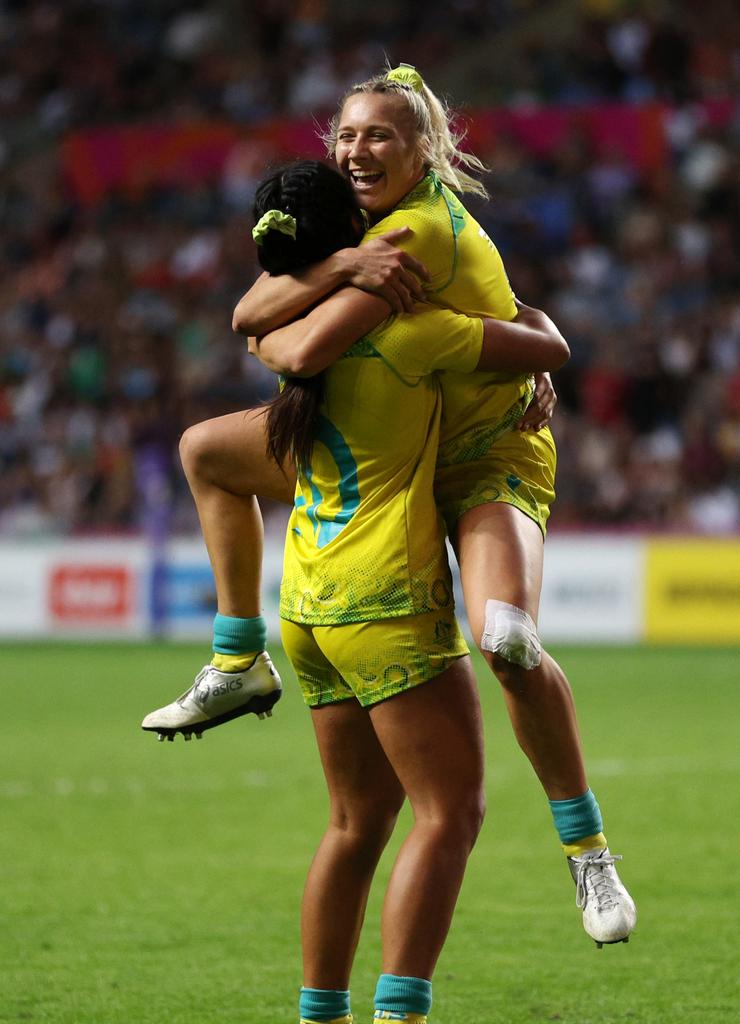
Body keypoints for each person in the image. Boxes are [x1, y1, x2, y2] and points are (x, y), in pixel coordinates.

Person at [142, 63, 636, 949]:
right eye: (346, 135)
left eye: (379, 135)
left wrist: (532, 350)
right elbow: (250, 307)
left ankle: (587, 847)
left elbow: (291, 344)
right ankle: (236, 656)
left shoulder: (413, 235)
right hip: (402, 438)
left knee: (507, 640)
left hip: (484, 455)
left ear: (429, 150)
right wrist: (336, 261)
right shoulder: (356, 228)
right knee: (207, 452)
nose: (356, 149)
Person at [247, 159, 570, 1024]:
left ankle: (321, 1016)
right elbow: (547, 350)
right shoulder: (413, 332)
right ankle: (400, 1017)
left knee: (354, 829)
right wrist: (527, 340)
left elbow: (255, 346)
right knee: (448, 816)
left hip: (306, 603)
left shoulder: (282, 341)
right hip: (384, 596)